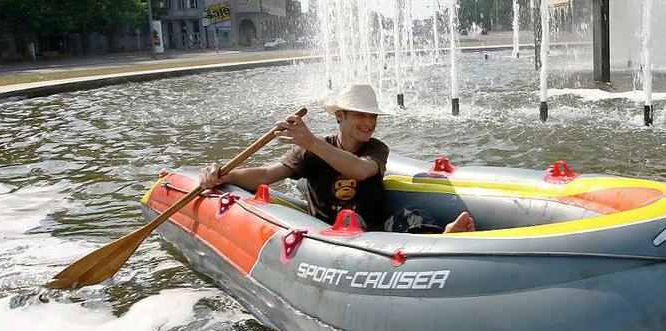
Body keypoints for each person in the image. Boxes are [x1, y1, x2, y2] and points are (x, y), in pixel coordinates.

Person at [199, 84, 475, 234]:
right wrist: (225, 175)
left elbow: (360, 171)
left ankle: (442, 237)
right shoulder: (309, 151)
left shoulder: (377, 149)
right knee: (350, 219)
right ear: (339, 116)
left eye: (372, 116)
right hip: (330, 231)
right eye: (360, 115)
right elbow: (267, 175)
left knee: (410, 215)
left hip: (376, 228)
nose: (369, 123)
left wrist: (310, 141)